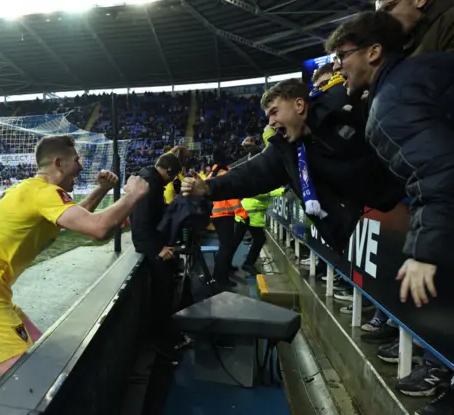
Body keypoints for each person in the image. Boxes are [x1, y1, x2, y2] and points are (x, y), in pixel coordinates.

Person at [0, 134, 149, 376]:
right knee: (26, 380)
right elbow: (98, 228)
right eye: (77, 160)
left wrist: (101, 190)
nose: (81, 167)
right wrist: (133, 195)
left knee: (44, 360)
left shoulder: (33, 190)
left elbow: (77, 217)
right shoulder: (44, 193)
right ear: (59, 163)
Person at [180, 78, 404, 259]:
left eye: (275, 112)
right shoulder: (285, 150)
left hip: (411, 194)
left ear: (299, 105)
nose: (270, 122)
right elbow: (252, 174)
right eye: (268, 116)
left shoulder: (343, 106)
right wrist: (209, 187)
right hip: (382, 212)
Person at [326, 10, 454, 309]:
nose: (336, 66)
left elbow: (438, 173)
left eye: (342, 56)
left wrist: (424, 252)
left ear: (373, 52)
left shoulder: (392, 102)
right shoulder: (419, 72)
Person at [130, 152, 182, 352]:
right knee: (162, 293)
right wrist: (158, 249)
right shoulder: (149, 184)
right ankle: (161, 341)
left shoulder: (149, 180)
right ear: (169, 171)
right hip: (149, 246)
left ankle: (163, 334)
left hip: (150, 244)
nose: (172, 181)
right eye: (173, 176)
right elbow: (141, 223)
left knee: (166, 288)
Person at [237, 135, 284, 275]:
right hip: (251, 211)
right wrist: (282, 191)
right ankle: (246, 264)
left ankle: (234, 265)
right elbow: (261, 192)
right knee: (258, 239)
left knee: (236, 240)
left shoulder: (254, 171)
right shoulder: (256, 175)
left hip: (248, 211)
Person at [207, 149, 247, 287]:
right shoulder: (224, 174)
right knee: (226, 246)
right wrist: (242, 213)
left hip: (216, 215)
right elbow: (232, 197)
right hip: (224, 216)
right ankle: (220, 278)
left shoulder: (212, 174)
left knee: (225, 246)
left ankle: (223, 271)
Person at [375, 0, 454, 56]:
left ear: (419, 1)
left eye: (388, 8)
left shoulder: (449, 22)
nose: (384, 18)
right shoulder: (409, 38)